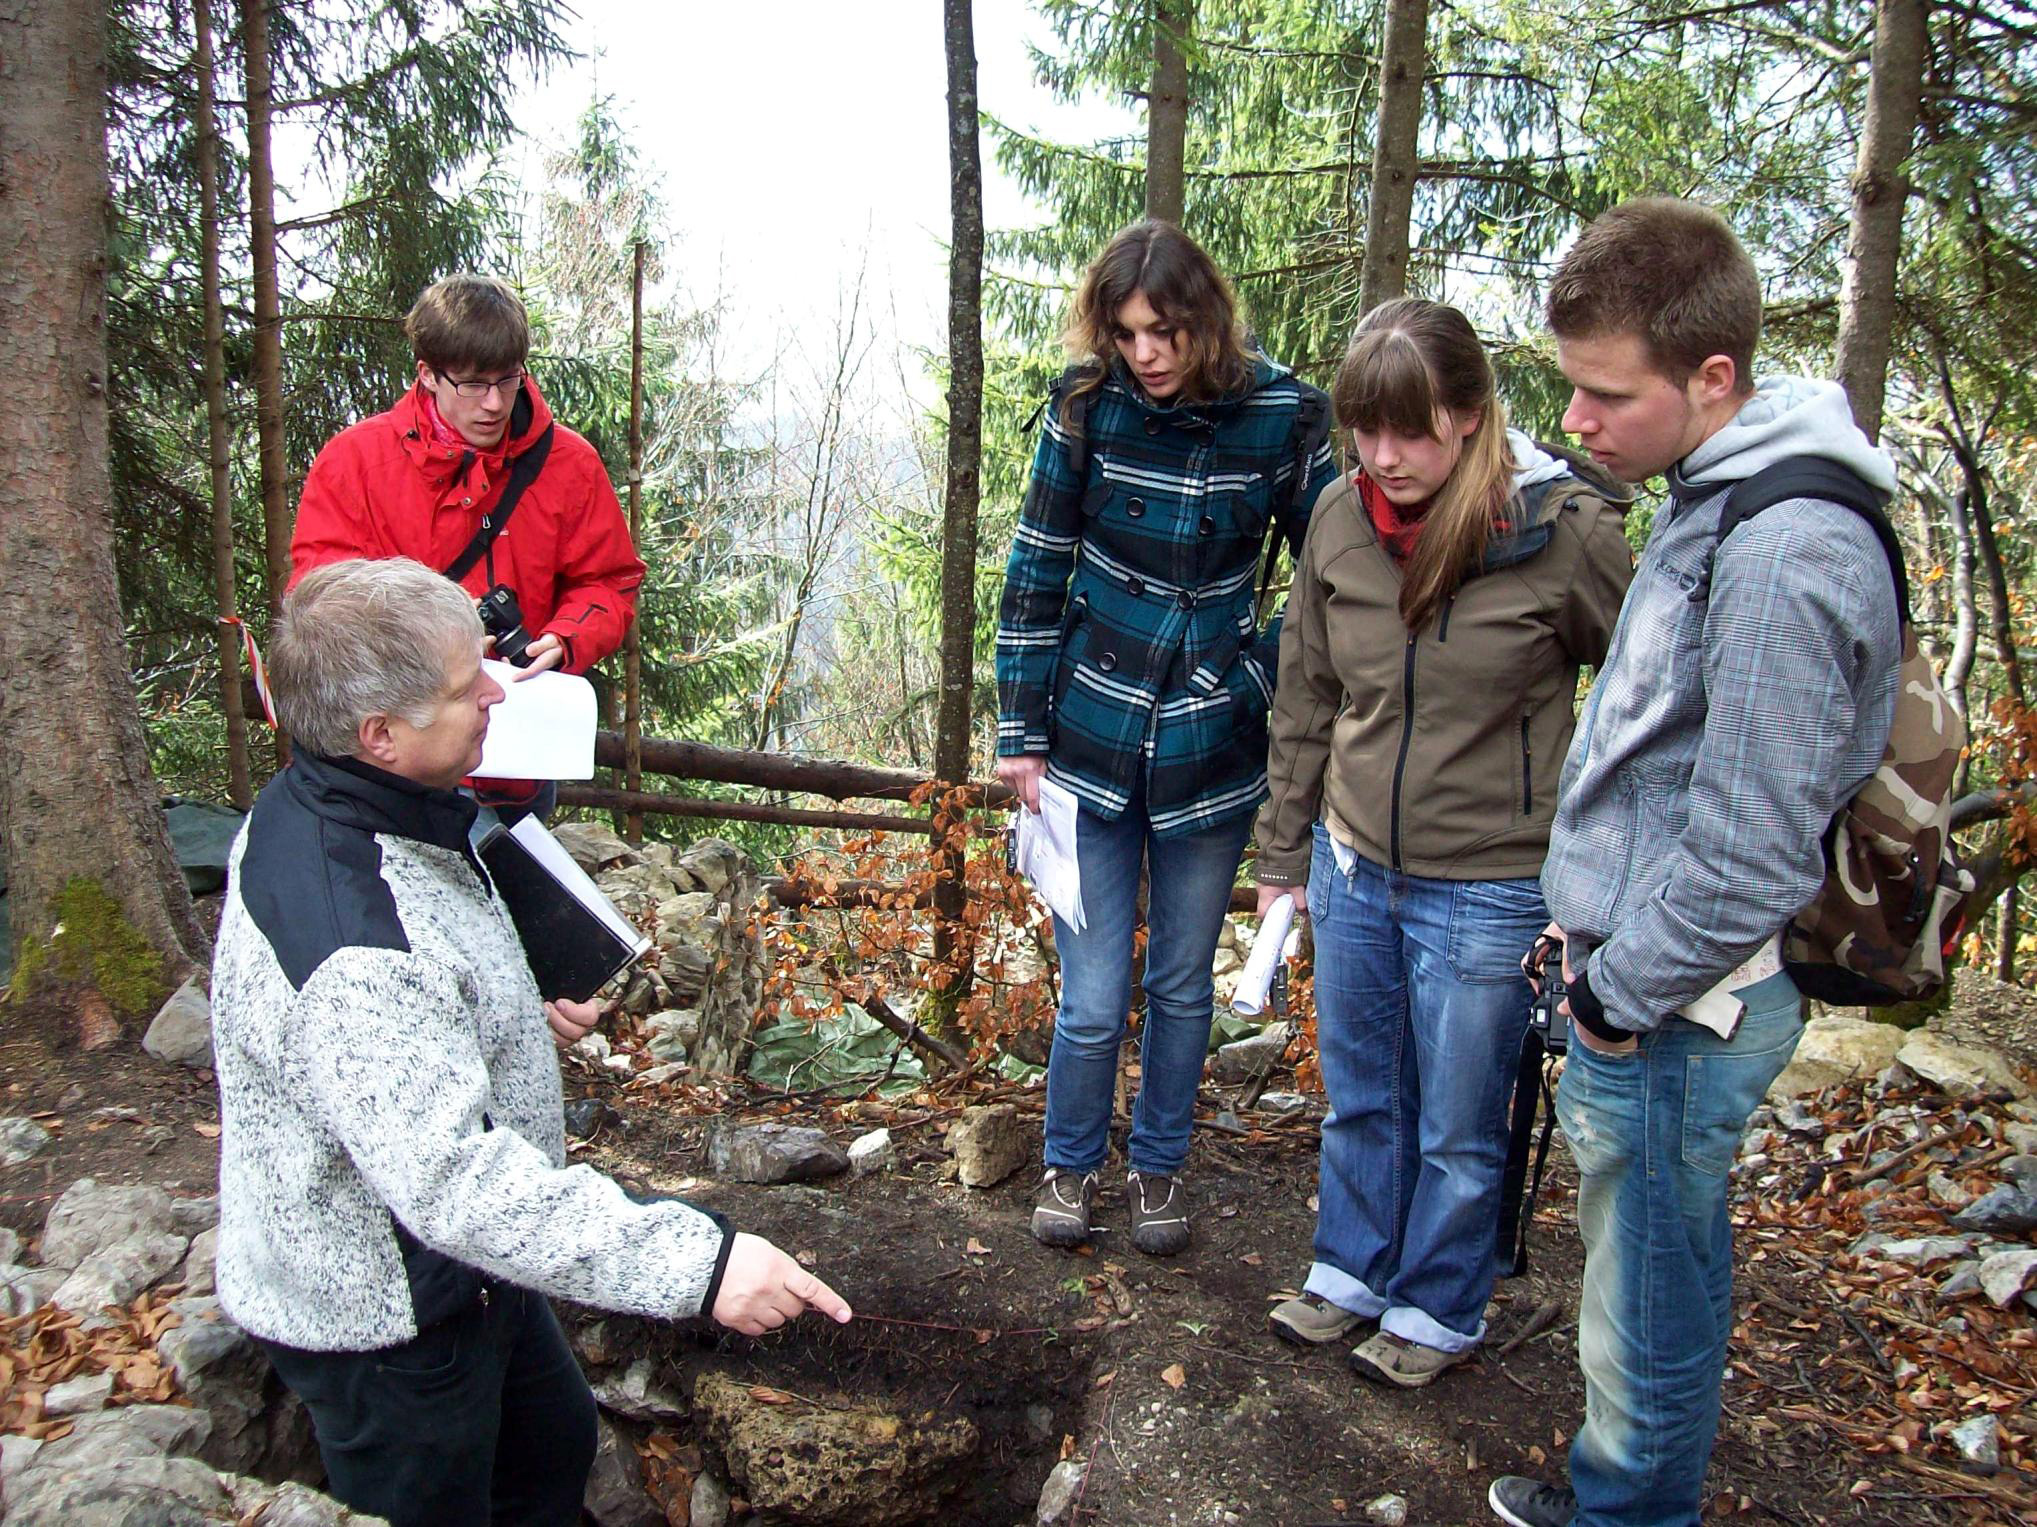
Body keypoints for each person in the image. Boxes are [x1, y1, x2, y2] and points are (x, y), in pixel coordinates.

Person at [211, 558, 851, 1527]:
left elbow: (425, 989)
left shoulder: (352, 797)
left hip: (470, 1280)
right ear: (378, 734)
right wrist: (704, 1268)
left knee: (553, 1442)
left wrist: (514, 999)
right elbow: (452, 1184)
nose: (496, 698)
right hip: (394, 1318)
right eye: (466, 691)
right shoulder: (357, 952)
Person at [1486, 200, 1902, 1527]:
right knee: (1650, 1264)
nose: (1579, 421)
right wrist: (1581, 920)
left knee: (1650, 1290)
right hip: (1650, 970)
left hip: (1683, 1003)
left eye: (1608, 394)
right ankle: (1625, 1488)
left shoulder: (1783, 548)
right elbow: (1661, 761)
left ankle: (1627, 1512)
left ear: (1711, 377)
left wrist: (1615, 996)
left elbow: (1747, 848)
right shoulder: (1721, 492)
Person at [1253, 299, 1633, 1387]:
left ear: (1468, 416)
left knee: (1463, 1122)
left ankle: (1438, 1306)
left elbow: (1651, 697)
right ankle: (1352, 1272)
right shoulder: (1337, 518)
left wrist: (1599, 864)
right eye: (1365, 432)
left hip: (1494, 884)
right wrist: (1285, 853)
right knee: (1363, 1094)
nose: (1386, 458)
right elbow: (1307, 698)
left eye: (1411, 431)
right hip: (1355, 860)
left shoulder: (1562, 534)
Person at [995, 220, 1338, 1256]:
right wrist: (1021, 731)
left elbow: (1332, 576)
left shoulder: (1284, 415)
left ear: (1207, 323)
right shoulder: (1084, 408)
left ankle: (1158, 1169)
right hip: (1089, 739)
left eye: (1167, 331)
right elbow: (1037, 566)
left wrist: (1250, 671)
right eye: (1128, 331)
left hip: (1210, 742)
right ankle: (1068, 1163)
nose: (1147, 353)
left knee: (1184, 987)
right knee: (1093, 998)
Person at [290, 273, 644, 820]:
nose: (496, 403)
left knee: (511, 894)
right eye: (474, 385)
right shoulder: (355, 463)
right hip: (400, 757)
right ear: (427, 375)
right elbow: (321, 607)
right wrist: (431, 649)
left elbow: (608, 581)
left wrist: (566, 638)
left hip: (517, 753)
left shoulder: (568, 464)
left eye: (509, 380)